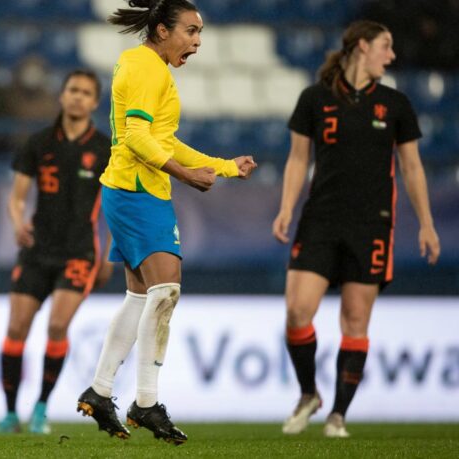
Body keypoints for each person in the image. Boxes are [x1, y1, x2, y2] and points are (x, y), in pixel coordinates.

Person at [75, 0, 256, 445]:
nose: (196, 42)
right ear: (161, 30)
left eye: (200, 34)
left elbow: (162, 138)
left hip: (134, 189)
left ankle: (100, 392)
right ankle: (146, 401)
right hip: (137, 190)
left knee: (141, 296)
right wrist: (186, 175)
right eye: (190, 31)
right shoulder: (146, 68)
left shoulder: (147, 65)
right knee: (166, 289)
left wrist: (223, 166)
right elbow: (137, 138)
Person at [272, 20, 441, 438]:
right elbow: (297, 160)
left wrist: (427, 224)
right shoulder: (314, 99)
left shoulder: (395, 104)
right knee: (297, 311)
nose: (393, 55)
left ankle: (338, 416)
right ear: (362, 46)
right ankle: (309, 392)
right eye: (386, 45)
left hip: (372, 225)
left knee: (355, 319)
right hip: (320, 220)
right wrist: (286, 208)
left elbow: (412, 167)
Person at [0, 69, 114, 435]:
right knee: (16, 327)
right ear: (62, 96)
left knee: (58, 325)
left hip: (79, 251)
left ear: (95, 102)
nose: (77, 97)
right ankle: (11, 413)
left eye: (85, 93)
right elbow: (16, 198)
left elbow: (117, 205)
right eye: (72, 90)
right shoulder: (38, 143)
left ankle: (42, 407)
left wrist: (111, 251)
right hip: (36, 249)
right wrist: (17, 222)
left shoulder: (105, 149)